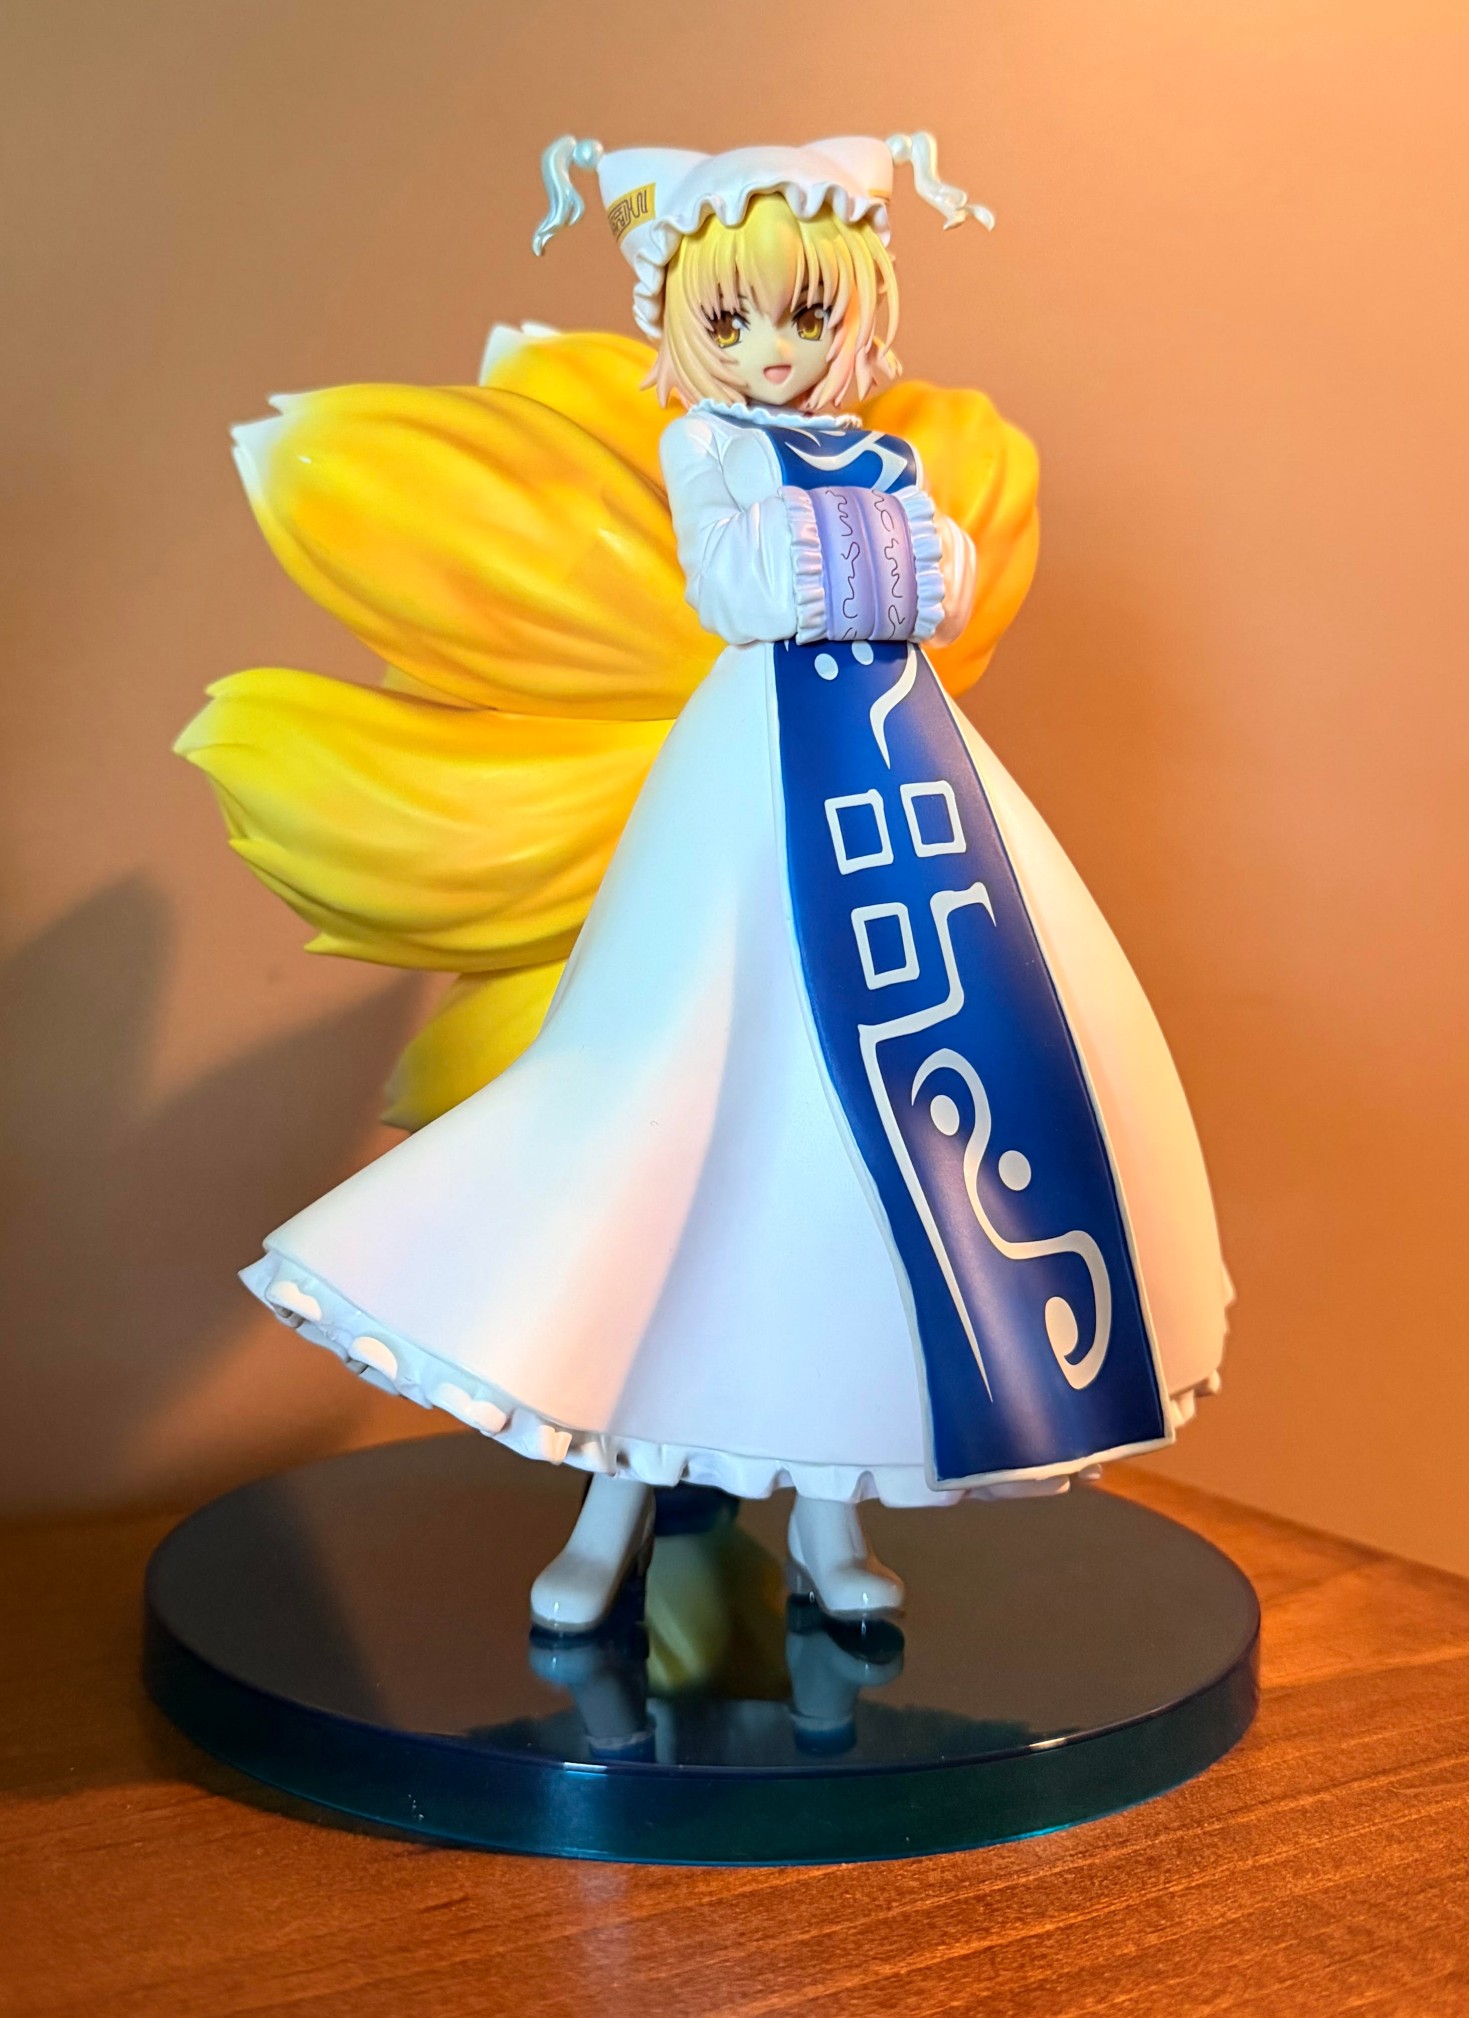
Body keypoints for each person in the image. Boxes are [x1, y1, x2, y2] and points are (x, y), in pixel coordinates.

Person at [178, 134, 1230, 1635]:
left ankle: (830, 1526)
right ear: (678, 321)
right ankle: (605, 1521)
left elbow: (934, 589)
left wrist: (867, 568)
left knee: (849, 1188)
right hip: (757, 801)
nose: (772, 352)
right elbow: (753, 593)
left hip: (910, 798)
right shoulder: (707, 451)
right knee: (670, 1136)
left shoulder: (881, 457)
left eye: (807, 315)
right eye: (730, 320)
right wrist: (869, 568)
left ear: (860, 310)